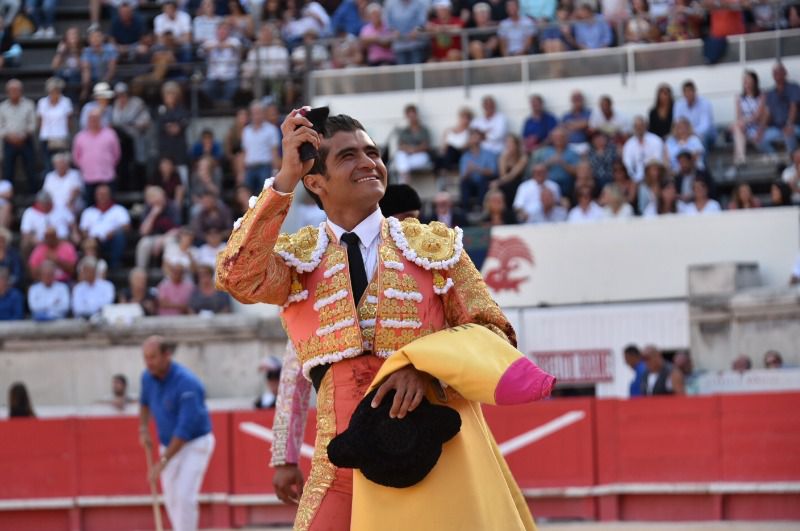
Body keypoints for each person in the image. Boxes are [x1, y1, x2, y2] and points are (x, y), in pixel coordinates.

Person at [216, 109, 550, 531]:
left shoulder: (435, 246)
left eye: (372, 152)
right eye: (348, 156)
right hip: (340, 469)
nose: (368, 163)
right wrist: (284, 180)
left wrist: (426, 370)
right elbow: (236, 275)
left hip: (431, 455)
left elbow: (496, 332)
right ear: (315, 182)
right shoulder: (297, 259)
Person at [139, 335, 215, 531]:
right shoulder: (147, 377)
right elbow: (144, 403)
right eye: (146, 357)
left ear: (167, 355)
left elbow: (184, 430)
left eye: (153, 357)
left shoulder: (187, 383)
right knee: (172, 498)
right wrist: (144, 428)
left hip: (194, 444)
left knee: (184, 496)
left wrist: (163, 462)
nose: (149, 362)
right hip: (168, 444)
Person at [72, 108, 122, 204]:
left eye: (96, 118)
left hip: (107, 177)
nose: (93, 121)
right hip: (88, 178)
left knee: (109, 205)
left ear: (101, 119)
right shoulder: (80, 137)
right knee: (90, 206)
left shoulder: (110, 134)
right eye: (91, 118)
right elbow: (76, 157)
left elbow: (116, 154)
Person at [79, 185, 131, 269]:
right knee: (88, 243)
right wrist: (90, 238)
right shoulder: (88, 212)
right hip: (94, 241)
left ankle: (115, 264)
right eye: (100, 194)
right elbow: (83, 230)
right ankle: (91, 268)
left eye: (104, 194)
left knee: (119, 237)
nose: (102, 196)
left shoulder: (119, 209)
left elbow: (126, 227)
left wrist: (113, 232)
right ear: (95, 196)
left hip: (111, 240)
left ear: (110, 195)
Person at [0, 79, 37, 194]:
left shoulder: (29, 104)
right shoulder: (2, 107)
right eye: (12, 90)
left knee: (30, 168)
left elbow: (33, 123)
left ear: (21, 91)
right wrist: (9, 136)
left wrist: (24, 135)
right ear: (7, 91)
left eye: (17, 90)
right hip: (8, 141)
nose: (14, 92)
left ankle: (33, 193)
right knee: (8, 170)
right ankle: (8, 195)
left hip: (25, 140)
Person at [758, 63, 800, 156]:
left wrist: (789, 125)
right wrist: (761, 129)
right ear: (773, 76)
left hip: (795, 125)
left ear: (785, 73)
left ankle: (792, 161)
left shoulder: (794, 87)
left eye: (780, 72)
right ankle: (777, 160)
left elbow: (794, 107)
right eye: (775, 73)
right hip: (778, 128)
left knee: (788, 134)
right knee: (759, 139)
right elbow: (767, 112)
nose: (778, 75)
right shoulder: (770, 93)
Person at [136, 185, 180, 269]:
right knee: (143, 243)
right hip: (152, 238)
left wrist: (161, 239)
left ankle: (169, 273)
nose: (159, 201)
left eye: (160, 197)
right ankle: (141, 272)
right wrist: (153, 215)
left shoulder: (172, 206)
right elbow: (143, 232)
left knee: (170, 243)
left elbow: (177, 230)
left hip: (169, 236)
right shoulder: (148, 208)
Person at [36, 77, 73, 175]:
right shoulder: (42, 102)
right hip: (46, 139)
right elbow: (40, 121)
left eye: (57, 89)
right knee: (48, 166)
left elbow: (69, 121)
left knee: (62, 164)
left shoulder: (66, 101)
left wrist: (66, 135)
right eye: (52, 90)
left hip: (61, 138)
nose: (54, 92)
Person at [242, 101, 281, 194]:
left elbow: (274, 152)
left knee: (263, 195)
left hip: (265, 168)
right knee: (246, 194)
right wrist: (242, 171)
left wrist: (275, 171)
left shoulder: (271, 129)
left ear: (263, 113)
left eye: (259, 112)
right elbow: (245, 152)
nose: (256, 115)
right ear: (251, 115)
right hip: (249, 168)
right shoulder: (246, 131)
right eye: (254, 113)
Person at [531, 127, 579, 199]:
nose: (558, 140)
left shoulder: (572, 153)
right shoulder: (546, 152)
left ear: (566, 138)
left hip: (566, 185)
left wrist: (563, 163)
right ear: (552, 139)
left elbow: (577, 172)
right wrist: (549, 162)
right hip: (548, 185)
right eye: (556, 137)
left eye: (561, 137)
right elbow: (537, 170)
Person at [201, 22, 241, 105]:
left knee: (233, 86)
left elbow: (238, 48)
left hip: (230, 75)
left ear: (228, 31)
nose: (222, 32)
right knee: (207, 87)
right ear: (216, 31)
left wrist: (223, 46)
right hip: (213, 75)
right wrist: (210, 48)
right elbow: (200, 52)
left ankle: (225, 103)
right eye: (220, 30)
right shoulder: (210, 42)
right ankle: (217, 103)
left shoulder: (234, 41)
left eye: (225, 30)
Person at [730, 70, 765, 167]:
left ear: (754, 82)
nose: (747, 84)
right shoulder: (739, 98)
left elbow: (758, 116)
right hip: (743, 127)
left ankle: (738, 161)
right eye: (745, 81)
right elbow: (738, 116)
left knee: (737, 128)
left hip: (756, 128)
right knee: (738, 128)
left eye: (749, 81)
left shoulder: (761, 96)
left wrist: (743, 122)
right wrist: (741, 123)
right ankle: (741, 159)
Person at [459, 128, 498, 212]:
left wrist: (477, 169)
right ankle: (465, 210)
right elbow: (463, 177)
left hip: (484, 184)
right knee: (464, 183)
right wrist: (468, 172)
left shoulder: (488, 153)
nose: (475, 139)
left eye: (476, 136)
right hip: (471, 185)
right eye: (472, 136)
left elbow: (493, 171)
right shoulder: (465, 156)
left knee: (483, 180)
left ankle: (481, 207)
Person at [393, 104, 432, 184]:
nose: (412, 118)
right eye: (409, 116)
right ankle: (405, 181)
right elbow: (401, 146)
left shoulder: (424, 130)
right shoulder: (404, 131)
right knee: (400, 155)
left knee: (402, 164)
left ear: (416, 115)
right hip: (408, 156)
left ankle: (403, 183)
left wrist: (414, 149)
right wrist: (409, 149)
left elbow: (426, 145)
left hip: (420, 155)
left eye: (413, 115)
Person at [673, 80, 715, 148]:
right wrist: (686, 134)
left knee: (700, 139)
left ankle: (701, 158)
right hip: (686, 134)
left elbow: (705, 126)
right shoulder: (678, 105)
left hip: (705, 134)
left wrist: (691, 133)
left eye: (690, 91)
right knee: (673, 140)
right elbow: (677, 122)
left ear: (695, 92)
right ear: (683, 93)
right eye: (686, 92)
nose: (688, 94)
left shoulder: (705, 103)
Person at [384, 0, 428, 64]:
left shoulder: (419, 3)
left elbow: (422, 22)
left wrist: (416, 30)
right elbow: (388, 22)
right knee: (402, 71)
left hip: (416, 44)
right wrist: (393, 30)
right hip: (399, 45)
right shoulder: (391, 4)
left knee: (416, 71)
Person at [623, 116, 664, 183]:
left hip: (653, 176)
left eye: (641, 125)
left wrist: (647, 176)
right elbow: (627, 164)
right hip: (635, 178)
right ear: (633, 128)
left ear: (646, 126)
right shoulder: (629, 144)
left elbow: (657, 160)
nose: (639, 128)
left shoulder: (656, 140)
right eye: (636, 126)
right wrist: (634, 177)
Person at [496, 133, 528, 208]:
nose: (508, 144)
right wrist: (505, 158)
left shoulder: (523, 157)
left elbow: (513, 175)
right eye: (507, 142)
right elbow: (502, 175)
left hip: (518, 181)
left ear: (516, 145)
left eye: (511, 142)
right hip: (505, 182)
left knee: (507, 186)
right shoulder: (503, 157)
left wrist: (498, 182)